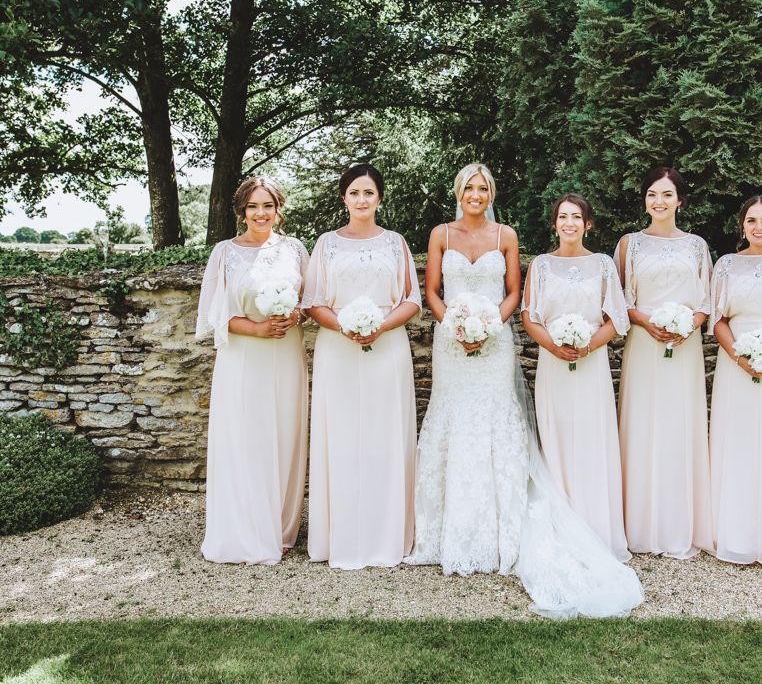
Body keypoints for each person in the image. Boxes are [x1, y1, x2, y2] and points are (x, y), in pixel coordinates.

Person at [407, 164, 643, 618]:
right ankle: (449, 533)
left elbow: (515, 293)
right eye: (468, 188)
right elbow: (431, 290)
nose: (475, 194)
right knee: (452, 420)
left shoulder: (506, 236)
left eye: (483, 188)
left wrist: (489, 323)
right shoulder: (441, 233)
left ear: (491, 193)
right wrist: (453, 324)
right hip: (451, 343)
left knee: (497, 421)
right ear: (459, 192)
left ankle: (503, 534)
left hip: (495, 343)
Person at [302, 163, 421, 569]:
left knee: (385, 435)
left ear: (379, 198)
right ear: (344, 198)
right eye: (354, 192)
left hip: (388, 351)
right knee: (342, 435)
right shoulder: (326, 244)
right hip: (337, 350)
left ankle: (387, 534)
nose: (362, 200)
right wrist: (345, 327)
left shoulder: (396, 243)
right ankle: (340, 535)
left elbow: (411, 299)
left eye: (368, 192)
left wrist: (380, 326)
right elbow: (313, 301)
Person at [196, 176, 309, 564]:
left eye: (268, 206)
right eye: (253, 207)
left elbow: (310, 300)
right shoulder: (225, 253)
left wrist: (293, 315)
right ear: (242, 211)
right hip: (243, 357)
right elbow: (214, 315)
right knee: (245, 436)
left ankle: (279, 527)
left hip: (285, 353)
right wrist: (258, 327)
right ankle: (243, 526)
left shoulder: (295, 249)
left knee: (284, 433)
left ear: (279, 209)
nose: (261, 213)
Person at [522, 194, 630, 560]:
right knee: (558, 435)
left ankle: (596, 525)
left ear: (588, 224)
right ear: (554, 224)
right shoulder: (540, 265)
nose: (569, 223)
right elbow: (529, 316)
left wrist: (587, 346)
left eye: (576, 217)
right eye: (563, 217)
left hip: (592, 363)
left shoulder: (602, 265)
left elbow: (617, 317)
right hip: (553, 364)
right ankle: (559, 524)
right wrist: (553, 346)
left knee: (591, 436)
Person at [614, 167, 713, 558]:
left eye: (667, 195)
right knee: (642, 422)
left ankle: (678, 523)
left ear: (680, 201)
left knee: (679, 423)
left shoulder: (696, 246)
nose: (659, 201)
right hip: (644, 344)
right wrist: (646, 322)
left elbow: (707, 300)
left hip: (684, 346)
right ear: (645, 200)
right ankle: (639, 524)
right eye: (653, 194)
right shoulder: (629, 245)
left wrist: (690, 324)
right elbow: (619, 299)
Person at [709, 195, 762, 565]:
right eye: (752, 220)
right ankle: (737, 534)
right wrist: (740, 356)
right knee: (739, 443)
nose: (758, 227)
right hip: (736, 362)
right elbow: (717, 319)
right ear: (742, 225)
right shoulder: (726, 265)